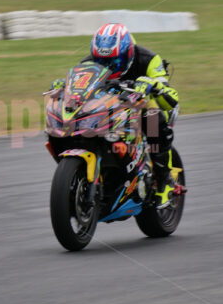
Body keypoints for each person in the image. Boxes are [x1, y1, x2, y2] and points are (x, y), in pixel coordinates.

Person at [51, 23, 180, 208]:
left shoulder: (149, 59)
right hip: (110, 106)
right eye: (102, 61)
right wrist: (63, 86)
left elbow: (171, 97)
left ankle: (164, 181)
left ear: (128, 53)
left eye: (114, 61)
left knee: (153, 115)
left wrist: (152, 85)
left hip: (141, 104)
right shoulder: (88, 62)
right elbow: (80, 90)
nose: (108, 66)